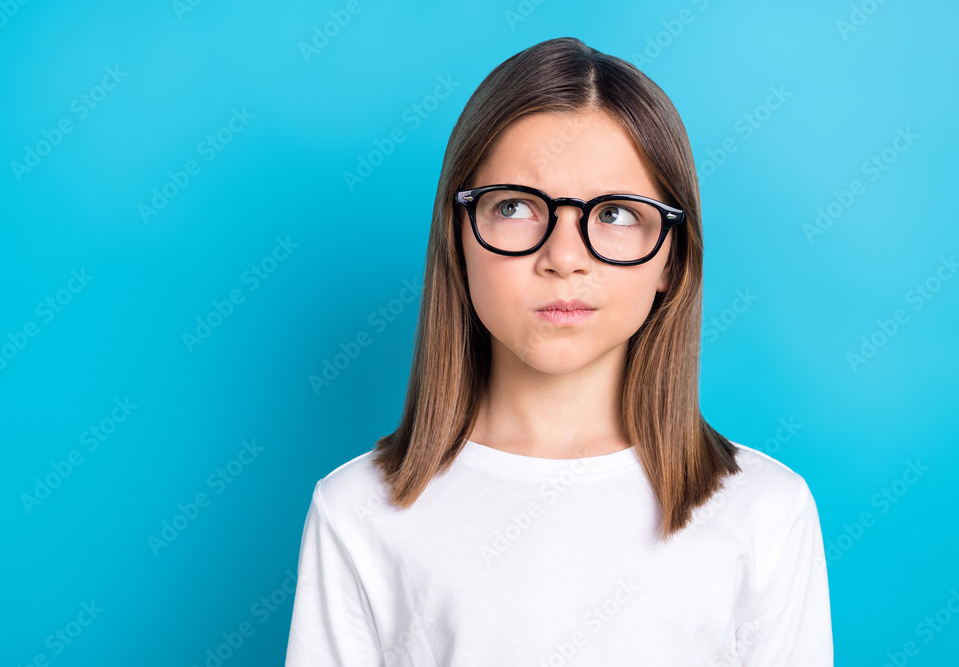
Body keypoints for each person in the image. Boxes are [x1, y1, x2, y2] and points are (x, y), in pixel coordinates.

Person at [285, 36, 833, 666]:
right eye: (515, 207)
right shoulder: (357, 510)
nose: (564, 258)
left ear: (670, 258)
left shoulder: (764, 510)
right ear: (457, 238)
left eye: (616, 214)